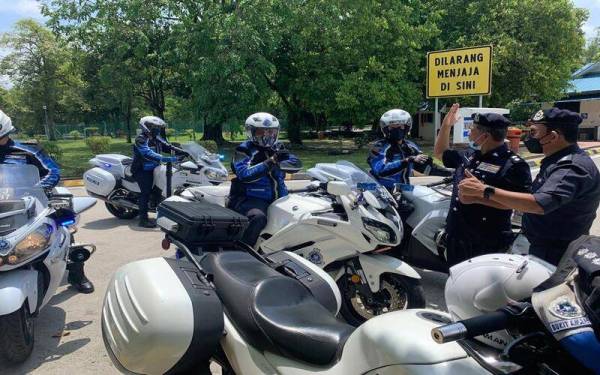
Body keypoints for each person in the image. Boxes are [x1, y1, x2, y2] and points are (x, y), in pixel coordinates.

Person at [459, 108, 600, 266]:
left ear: (552, 136)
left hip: (557, 254)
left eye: (533, 132)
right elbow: (526, 203)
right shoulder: (554, 162)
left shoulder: (570, 167)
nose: (528, 137)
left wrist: (485, 190)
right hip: (542, 246)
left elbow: (538, 204)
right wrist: (480, 199)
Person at [0, 109, 94, 293]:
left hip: (30, 204)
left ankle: (77, 274)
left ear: (7, 131)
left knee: (63, 226)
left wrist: (36, 188)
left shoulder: (27, 151)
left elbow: (53, 171)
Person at [433, 103, 532, 267]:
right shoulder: (470, 155)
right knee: (458, 286)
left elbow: (522, 204)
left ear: (485, 136)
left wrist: (480, 198)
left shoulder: (513, 165)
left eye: (473, 128)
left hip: (486, 241)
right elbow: (440, 152)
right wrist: (446, 126)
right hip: (458, 236)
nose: (469, 131)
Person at [229, 112, 301, 246]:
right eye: (261, 132)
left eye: (271, 132)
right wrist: (271, 162)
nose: (267, 135)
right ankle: (242, 250)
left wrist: (280, 159)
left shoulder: (278, 147)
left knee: (302, 215)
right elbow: (244, 174)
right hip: (250, 199)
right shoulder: (244, 150)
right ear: (251, 132)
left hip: (280, 198)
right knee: (258, 217)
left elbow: (296, 163)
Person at [131, 116, 182, 228]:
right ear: (146, 127)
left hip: (154, 167)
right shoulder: (141, 139)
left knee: (159, 189)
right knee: (146, 192)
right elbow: (148, 153)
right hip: (142, 169)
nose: (156, 129)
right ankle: (143, 220)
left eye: (158, 127)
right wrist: (167, 159)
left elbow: (167, 146)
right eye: (154, 127)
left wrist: (183, 151)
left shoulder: (155, 137)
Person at [368, 109, 431, 189]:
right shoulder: (379, 147)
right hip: (381, 190)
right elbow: (380, 170)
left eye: (401, 126)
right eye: (392, 127)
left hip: (404, 188)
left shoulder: (411, 146)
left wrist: (449, 172)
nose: (397, 130)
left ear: (407, 127)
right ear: (385, 129)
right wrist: (407, 161)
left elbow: (425, 166)